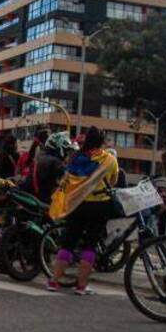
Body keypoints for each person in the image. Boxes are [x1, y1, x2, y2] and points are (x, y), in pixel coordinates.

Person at [47, 126, 119, 294]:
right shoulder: (109, 160)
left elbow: (67, 180)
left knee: (68, 243)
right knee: (90, 245)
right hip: (99, 206)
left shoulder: (75, 158)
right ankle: (81, 286)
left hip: (76, 205)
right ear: (102, 141)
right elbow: (114, 181)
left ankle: (53, 282)